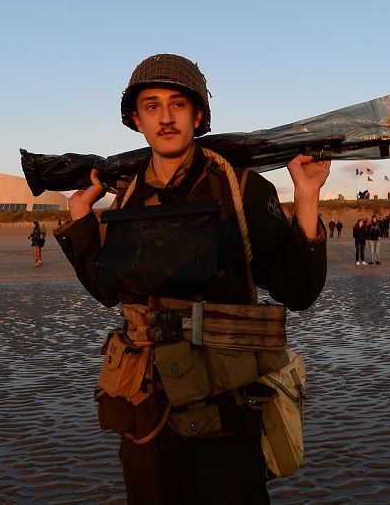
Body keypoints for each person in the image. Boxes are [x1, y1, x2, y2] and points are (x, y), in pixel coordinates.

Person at [53, 53, 329, 504]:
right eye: (151, 105)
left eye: (177, 104)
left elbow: (298, 291)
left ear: (197, 115)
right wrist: (82, 218)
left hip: (228, 409)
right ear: (135, 120)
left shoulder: (241, 188)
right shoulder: (126, 201)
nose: (165, 117)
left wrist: (306, 196)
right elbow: (108, 290)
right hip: (146, 412)